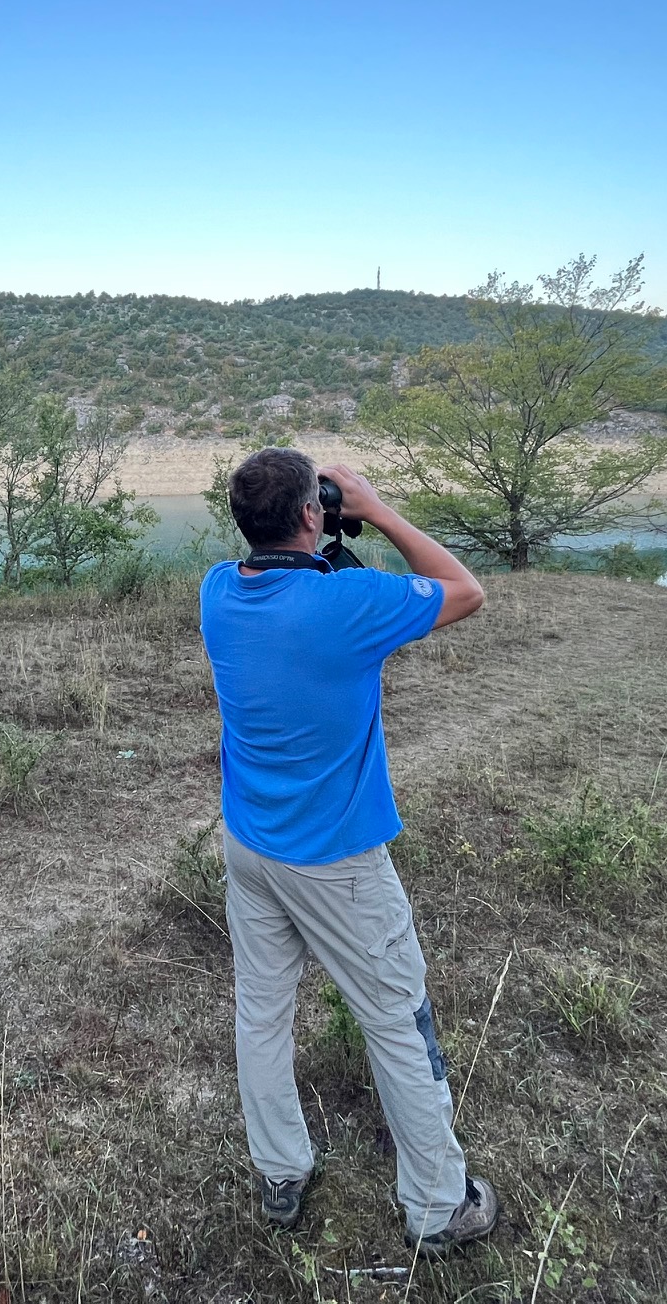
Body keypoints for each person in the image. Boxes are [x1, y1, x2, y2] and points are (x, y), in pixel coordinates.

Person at [197, 448, 496, 1252]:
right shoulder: (348, 604)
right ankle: (439, 1206)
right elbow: (467, 590)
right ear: (311, 513)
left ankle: (280, 1171)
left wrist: (324, 521)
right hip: (337, 860)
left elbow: (292, 576)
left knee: (262, 1011)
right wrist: (377, 510)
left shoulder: (218, 591)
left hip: (250, 844)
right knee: (396, 1020)